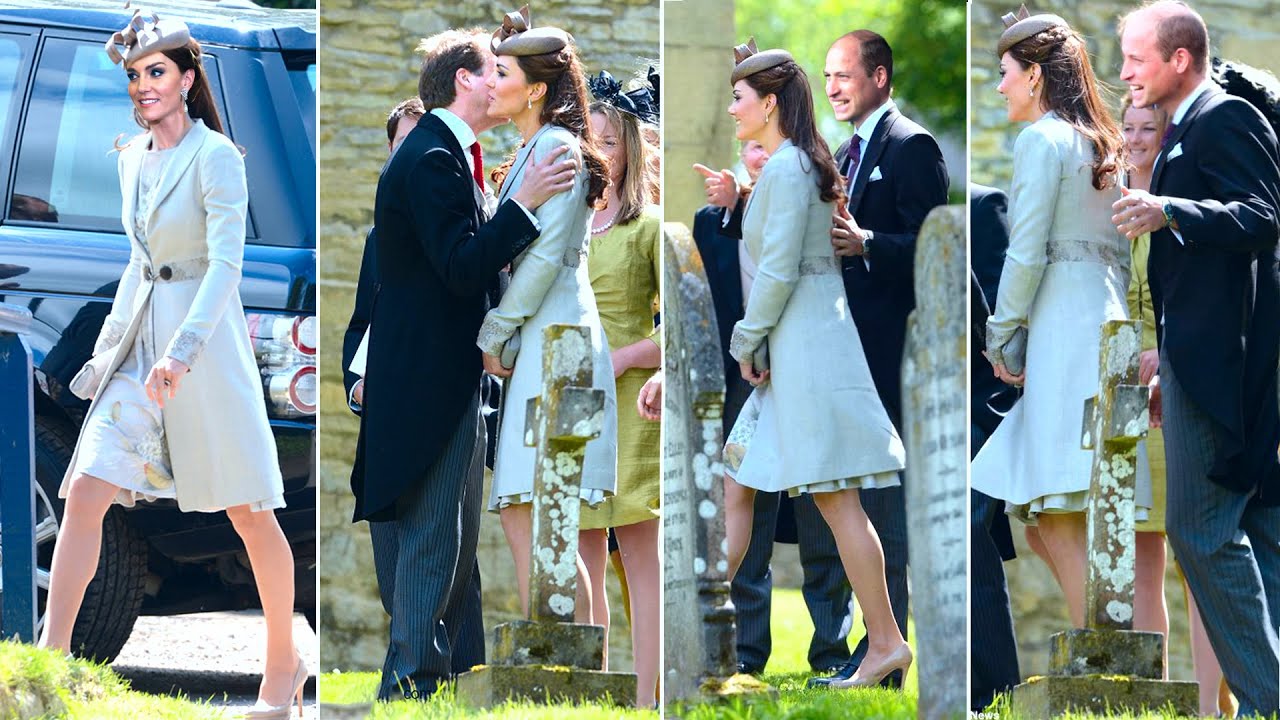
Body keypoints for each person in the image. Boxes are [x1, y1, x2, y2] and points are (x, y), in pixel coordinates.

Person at [40, 11, 304, 717]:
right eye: (133, 73)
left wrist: (182, 352)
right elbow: (139, 263)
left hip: (205, 353)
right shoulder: (132, 156)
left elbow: (226, 268)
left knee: (251, 513)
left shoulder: (218, 156)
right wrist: (110, 357)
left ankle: (284, 663)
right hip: (137, 352)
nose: (142, 85)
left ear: (188, 79)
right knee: (87, 488)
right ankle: (52, 660)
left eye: (157, 71)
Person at [349, 25, 576, 700]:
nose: (499, 80)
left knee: (442, 540)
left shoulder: (449, 153)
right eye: (491, 70)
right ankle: (411, 687)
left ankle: (425, 682)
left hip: (446, 378)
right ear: (463, 82)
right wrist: (526, 205)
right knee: (430, 541)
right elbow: (457, 268)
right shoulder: (429, 159)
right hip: (427, 380)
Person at [718, 38, 911, 689]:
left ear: (769, 103)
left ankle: (884, 642)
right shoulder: (791, 165)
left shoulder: (792, 167)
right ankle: (711, 634)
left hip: (805, 355)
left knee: (836, 501)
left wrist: (746, 340)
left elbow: (776, 271)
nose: (730, 108)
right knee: (738, 478)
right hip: (789, 356)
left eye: (739, 97)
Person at [1113, 2, 1280, 713]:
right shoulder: (1186, 128)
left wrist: (1169, 210)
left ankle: (1269, 696)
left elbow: (1264, 215)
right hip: (1195, 360)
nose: (1123, 74)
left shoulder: (1224, 117)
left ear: (1179, 59)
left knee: (1198, 529)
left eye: (1135, 59)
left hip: (1223, 363)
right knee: (1262, 531)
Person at [970, 9, 1153, 632]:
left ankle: (1102, 653)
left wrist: (1003, 337)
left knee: (1057, 508)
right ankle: (1102, 641)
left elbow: (1024, 251)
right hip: (1110, 327)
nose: (999, 87)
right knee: (1062, 507)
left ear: (1036, 76)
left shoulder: (1043, 139)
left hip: (1066, 335)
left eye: (1004, 73)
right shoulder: (1106, 145)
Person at [476, 7, 617, 622]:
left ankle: (568, 657)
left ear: (534, 87)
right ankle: (564, 651)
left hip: (563, 342)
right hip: (547, 339)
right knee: (532, 504)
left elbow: (548, 258)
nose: (488, 83)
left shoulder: (556, 147)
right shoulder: (537, 144)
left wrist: (496, 331)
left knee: (543, 505)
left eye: (499, 71)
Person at [818, 29, 949, 687]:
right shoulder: (844, 149)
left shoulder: (912, 145)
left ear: (880, 78)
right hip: (848, 355)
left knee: (885, 509)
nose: (834, 87)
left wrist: (867, 241)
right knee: (854, 504)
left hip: (896, 356)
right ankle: (867, 646)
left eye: (845, 75)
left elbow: (936, 251)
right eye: (827, 77)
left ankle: (890, 661)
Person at [693, 141, 853, 677]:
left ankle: (831, 654)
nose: (757, 154)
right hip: (743, 382)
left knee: (822, 519)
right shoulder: (711, 219)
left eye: (767, 145)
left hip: (806, 369)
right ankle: (744, 653)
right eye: (748, 147)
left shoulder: (820, 203)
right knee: (746, 519)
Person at [340, 96, 486, 675]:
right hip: (387, 407)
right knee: (395, 549)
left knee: (454, 545)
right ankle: (413, 663)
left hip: (448, 396)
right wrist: (357, 383)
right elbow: (359, 329)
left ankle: (457, 675)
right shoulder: (382, 240)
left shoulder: (459, 213)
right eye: (398, 146)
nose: (408, 157)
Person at [575, 74, 661, 705]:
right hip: (575, 400)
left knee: (640, 557)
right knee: (579, 552)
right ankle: (596, 690)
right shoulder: (569, 218)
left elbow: (687, 325)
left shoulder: (649, 225)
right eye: (591, 139)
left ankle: (649, 695)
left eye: (611, 140)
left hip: (633, 407)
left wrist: (627, 356)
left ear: (630, 146)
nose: (600, 150)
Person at [968, 183, 1020, 711]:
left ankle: (996, 692)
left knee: (970, 536)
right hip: (930, 408)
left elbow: (1004, 306)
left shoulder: (984, 206)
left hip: (982, 407)